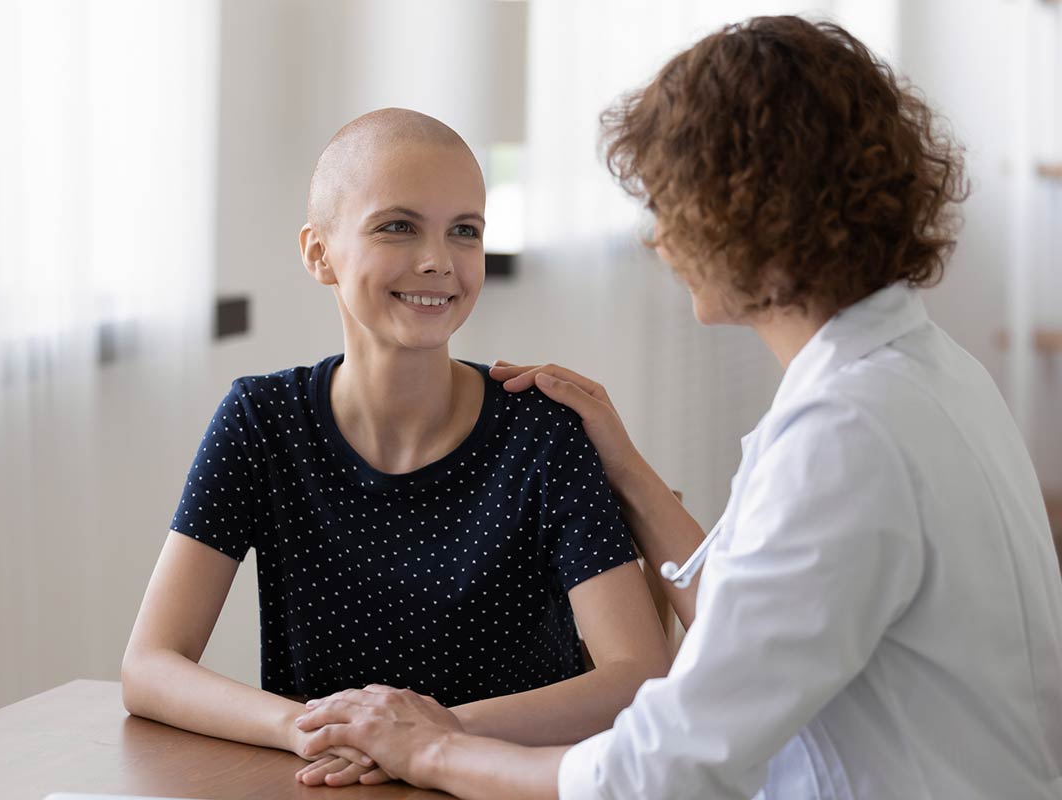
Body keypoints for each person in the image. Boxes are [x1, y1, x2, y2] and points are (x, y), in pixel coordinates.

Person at [294, 16, 1062, 799]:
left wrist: (431, 748)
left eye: (671, 206)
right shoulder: (928, 373)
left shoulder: (848, 434)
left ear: (750, 213)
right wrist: (627, 471)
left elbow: (662, 768)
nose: (657, 240)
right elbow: (762, 617)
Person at [121, 108, 671, 788]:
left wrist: (434, 734)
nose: (438, 260)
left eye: (464, 231)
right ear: (319, 252)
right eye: (398, 226)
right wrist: (304, 727)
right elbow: (149, 665)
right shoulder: (261, 421)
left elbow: (638, 675)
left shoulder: (544, 432)